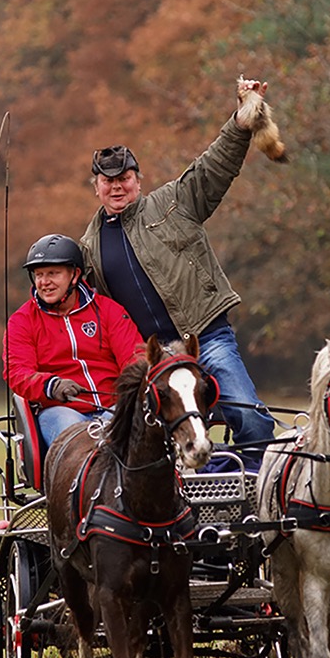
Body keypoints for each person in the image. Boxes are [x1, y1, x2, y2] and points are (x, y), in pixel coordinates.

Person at [80, 77, 276, 471]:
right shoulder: (89, 248)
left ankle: (248, 491)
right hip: (149, 359)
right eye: (108, 181)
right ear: (96, 187)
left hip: (206, 338)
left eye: (124, 179)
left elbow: (213, 167)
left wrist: (241, 123)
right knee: (146, 446)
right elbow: (74, 305)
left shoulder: (174, 202)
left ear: (138, 180)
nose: (117, 187)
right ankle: (180, 498)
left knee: (252, 421)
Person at [3, 233, 143, 447]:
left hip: (114, 406)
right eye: (39, 275)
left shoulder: (109, 311)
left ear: (75, 274)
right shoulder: (21, 321)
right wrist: (51, 385)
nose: (44, 282)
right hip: (60, 410)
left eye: (53, 273)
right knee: (78, 439)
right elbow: (17, 372)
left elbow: (135, 357)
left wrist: (130, 391)